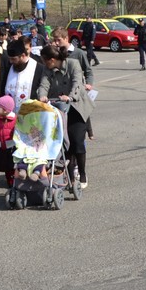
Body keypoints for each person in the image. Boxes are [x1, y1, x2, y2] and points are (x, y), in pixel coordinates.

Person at [36, 45, 92, 188]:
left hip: (76, 107)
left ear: (52, 60)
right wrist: (42, 95)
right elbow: (44, 84)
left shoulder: (73, 64)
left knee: (77, 141)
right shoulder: (47, 69)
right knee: (63, 143)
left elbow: (77, 83)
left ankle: (82, 173)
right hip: (58, 108)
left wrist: (70, 97)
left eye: (45, 60)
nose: (43, 63)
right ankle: (69, 176)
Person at [3, 38, 47, 113]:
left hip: (31, 115)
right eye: (9, 59)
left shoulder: (39, 68)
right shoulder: (8, 67)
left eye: (13, 59)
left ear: (23, 55)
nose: (11, 61)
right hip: (10, 116)